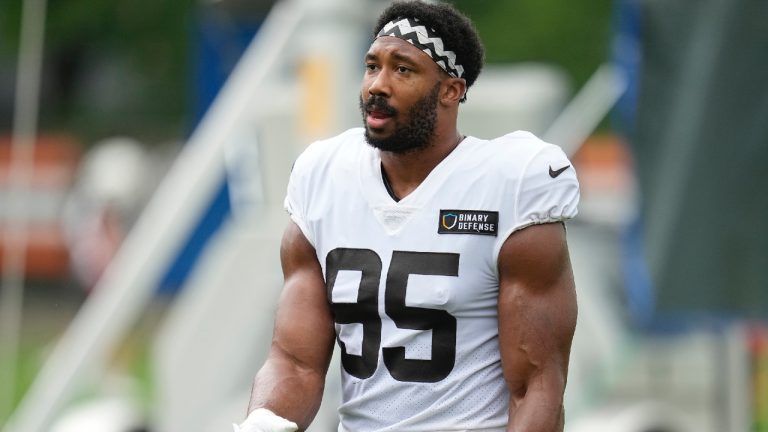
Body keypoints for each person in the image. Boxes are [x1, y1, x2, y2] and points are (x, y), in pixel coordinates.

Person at [235, 1, 580, 431]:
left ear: (451, 90)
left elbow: (536, 387)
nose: (378, 85)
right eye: (372, 66)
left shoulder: (511, 182)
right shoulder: (323, 175)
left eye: (403, 70)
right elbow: (295, 361)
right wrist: (264, 423)